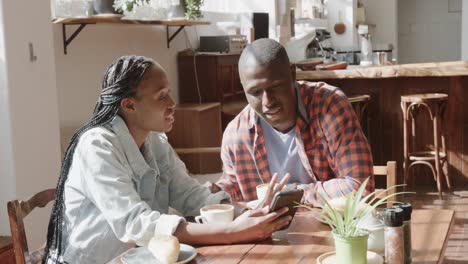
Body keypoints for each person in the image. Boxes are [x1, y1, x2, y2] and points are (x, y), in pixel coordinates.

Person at [43, 55, 291, 264]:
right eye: (162, 96)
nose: (173, 104)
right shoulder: (96, 146)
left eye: (169, 93)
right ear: (129, 105)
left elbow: (191, 196)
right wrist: (231, 232)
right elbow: (137, 223)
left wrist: (246, 210)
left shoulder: (156, 141)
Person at [216, 39, 374, 207]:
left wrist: (290, 194)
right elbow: (234, 188)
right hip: (270, 232)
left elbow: (359, 187)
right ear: (244, 88)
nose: (267, 101)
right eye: (255, 92)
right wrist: (216, 192)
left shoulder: (328, 106)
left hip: (332, 227)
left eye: (275, 87)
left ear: (292, 74)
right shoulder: (236, 135)